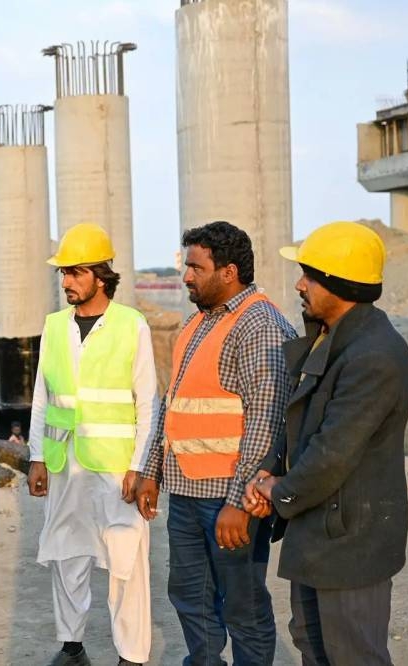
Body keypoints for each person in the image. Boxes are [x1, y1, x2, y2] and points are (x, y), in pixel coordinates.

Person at [244, 221, 408, 665]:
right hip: (317, 533)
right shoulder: (330, 339)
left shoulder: (373, 355)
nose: (299, 285)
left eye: (310, 276)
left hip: (350, 543)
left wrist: (278, 491)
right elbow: (300, 425)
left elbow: (332, 452)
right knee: (313, 644)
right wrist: (269, 472)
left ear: (341, 284)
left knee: (352, 653)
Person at [134, 221, 296, 666]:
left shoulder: (260, 325)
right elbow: (173, 405)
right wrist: (151, 471)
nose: (186, 276)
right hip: (187, 493)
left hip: (228, 497)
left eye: (196, 267)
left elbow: (266, 420)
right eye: (186, 266)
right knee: (190, 597)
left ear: (228, 272)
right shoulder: (197, 323)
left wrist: (239, 502)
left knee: (243, 605)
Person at [27, 223, 157, 666]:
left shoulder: (132, 326)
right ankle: (72, 647)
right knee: (67, 554)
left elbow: (147, 402)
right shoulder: (54, 327)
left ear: (100, 276)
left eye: (75, 272)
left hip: (116, 468)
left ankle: (132, 657)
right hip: (64, 463)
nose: (66, 281)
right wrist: (37, 457)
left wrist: (140, 466)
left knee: (126, 561)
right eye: (63, 273)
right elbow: (42, 397)